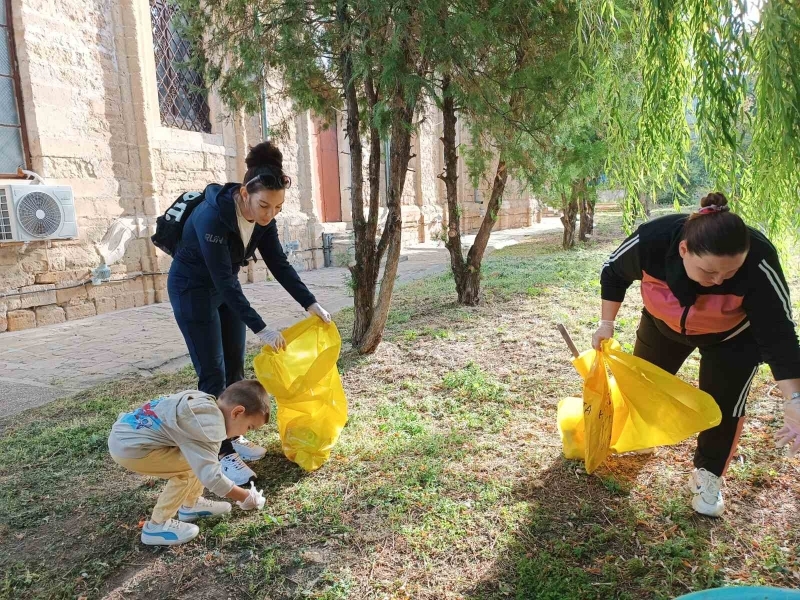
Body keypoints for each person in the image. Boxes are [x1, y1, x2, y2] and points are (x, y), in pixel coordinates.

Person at [594, 192, 800, 517]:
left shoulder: (759, 261)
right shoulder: (654, 240)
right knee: (642, 383)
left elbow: (779, 333)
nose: (718, 281)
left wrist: (794, 401)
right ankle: (639, 433)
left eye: (729, 274)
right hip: (663, 324)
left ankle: (709, 476)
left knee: (723, 405)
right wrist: (607, 324)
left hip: (732, 337)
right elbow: (613, 273)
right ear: (683, 250)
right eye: (709, 272)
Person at [168, 141, 332, 485]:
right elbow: (225, 282)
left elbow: (279, 263)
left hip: (224, 288)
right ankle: (220, 451)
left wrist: (310, 303)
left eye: (277, 207)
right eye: (263, 205)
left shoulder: (263, 218)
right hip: (193, 290)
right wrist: (262, 328)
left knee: (235, 368)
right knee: (212, 373)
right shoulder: (213, 216)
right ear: (244, 193)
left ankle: (233, 433)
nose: (269, 214)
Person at [108, 380, 270, 545]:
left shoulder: (205, 402)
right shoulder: (207, 428)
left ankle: (191, 504)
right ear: (237, 413)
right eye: (249, 427)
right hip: (131, 448)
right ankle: (157, 526)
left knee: (195, 460)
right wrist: (246, 497)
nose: (244, 432)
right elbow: (211, 477)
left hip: (125, 434)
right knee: (187, 468)